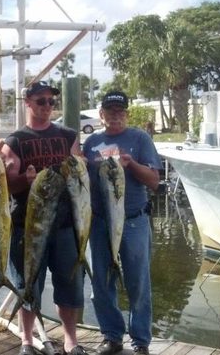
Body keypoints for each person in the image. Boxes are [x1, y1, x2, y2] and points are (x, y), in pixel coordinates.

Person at [0, 81, 88, 355]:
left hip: (65, 226)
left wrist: (81, 166)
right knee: (28, 285)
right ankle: (27, 340)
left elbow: (80, 167)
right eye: (41, 101)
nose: (48, 106)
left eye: (51, 101)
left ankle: (70, 339)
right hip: (28, 227)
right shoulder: (15, 140)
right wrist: (21, 179)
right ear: (27, 102)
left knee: (70, 283)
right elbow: (6, 183)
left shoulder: (68, 135)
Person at [82, 91, 161, 355]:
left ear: (126, 114)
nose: (115, 115)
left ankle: (140, 341)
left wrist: (131, 165)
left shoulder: (140, 138)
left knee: (138, 282)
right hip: (100, 223)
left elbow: (153, 180)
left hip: (134, 222)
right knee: (101, 283)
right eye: (110, 110)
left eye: (120, 111)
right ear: (101, 114)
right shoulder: (91, 141)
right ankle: (112, 336)